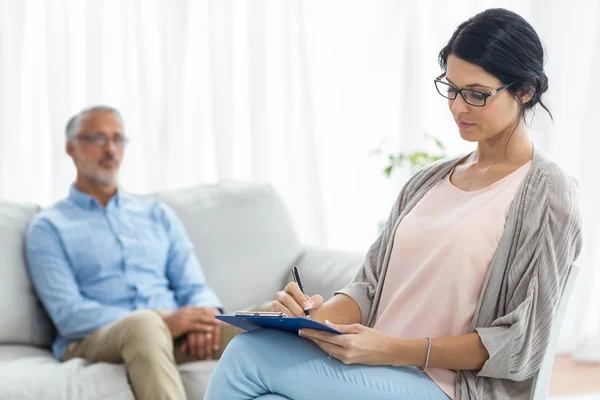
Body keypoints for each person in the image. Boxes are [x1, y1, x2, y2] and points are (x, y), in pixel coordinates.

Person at [204, 8, 583, 400]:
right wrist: (313, 318)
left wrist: (394, 349)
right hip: (373, 372)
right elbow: (368, 287)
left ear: (525, 91)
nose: (457, 107)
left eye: (476, 94)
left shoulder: (548, 193)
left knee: (247, 355)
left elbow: (520, 344)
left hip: (447, 388)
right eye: (451, 88)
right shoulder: (426, 183)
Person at [26, 106, 242, 400]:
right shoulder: (49, 227)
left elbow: (193, 285)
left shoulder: (157, 214)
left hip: (174, 331)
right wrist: (165, 321)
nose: (110, 149)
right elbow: (69, 314)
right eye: (98, 138)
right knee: (144, 324)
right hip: (100, 337)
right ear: (71, 148)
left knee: (271, 314)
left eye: (118, 139)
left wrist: (205, 317)